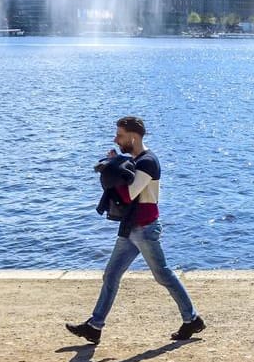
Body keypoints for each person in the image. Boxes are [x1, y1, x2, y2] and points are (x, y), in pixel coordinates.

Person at [67, 116, 206, 344]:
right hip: (131, 228)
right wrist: (115, 164)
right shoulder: (135, 159)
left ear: (133, 136)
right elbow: (125, 179)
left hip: (145, 229)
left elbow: (129, 194)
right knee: (111, 275)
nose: (116, 139)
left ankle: (192, 319)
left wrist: (111, 171)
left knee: (163, 275)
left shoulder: (148, 162)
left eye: (120, 135)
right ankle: (95, 326)